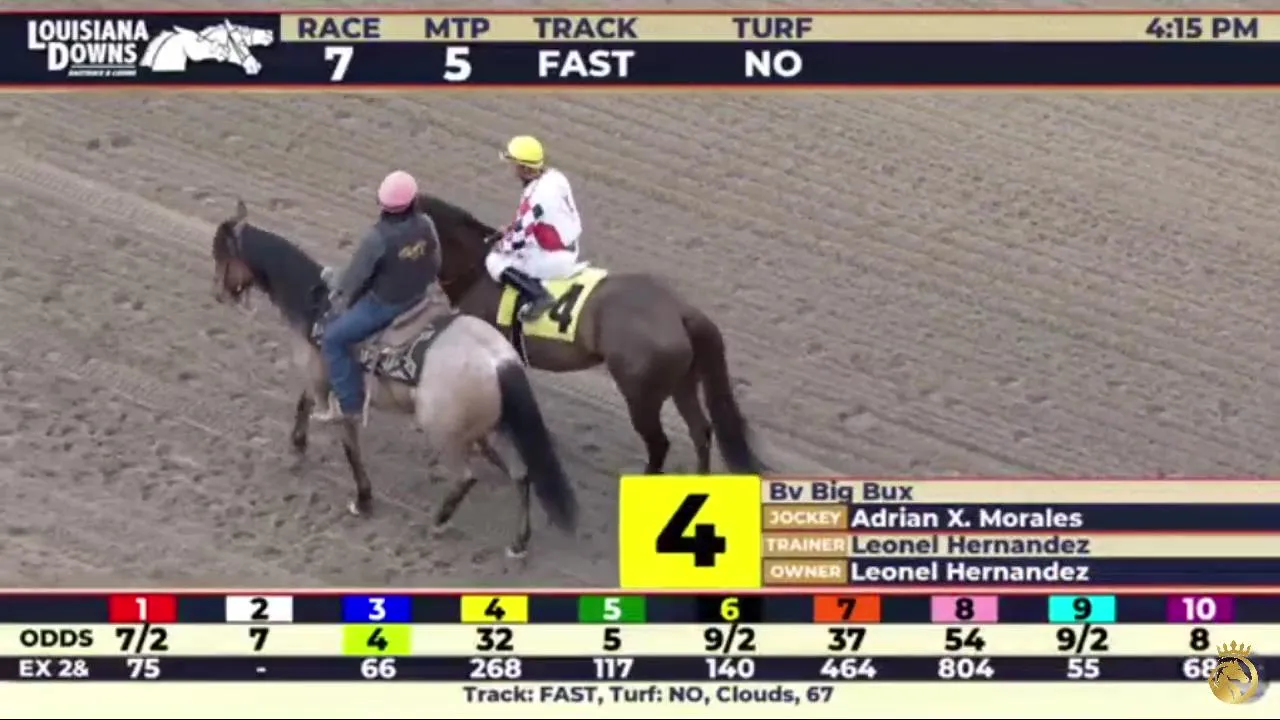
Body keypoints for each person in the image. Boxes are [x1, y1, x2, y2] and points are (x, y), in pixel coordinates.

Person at [315, 170, 440, 423]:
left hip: (387, 305)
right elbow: (436, 261)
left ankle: (349, 405)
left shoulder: (377, 238)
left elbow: (353, 281)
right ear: (414, 201)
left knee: (333, 339)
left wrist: (331, 279)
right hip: (422, 295)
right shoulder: (426, 223)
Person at [486, 135, 584, 322]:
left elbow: (517, 239)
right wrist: (511, 229)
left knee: (494, 261)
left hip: (553, 259)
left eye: (513, 164)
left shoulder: (536, 197)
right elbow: (535, 221)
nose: (511, 168)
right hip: (568, 245)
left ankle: (539, 296)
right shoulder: (555, 177)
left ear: (524, 168)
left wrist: (501, 245)